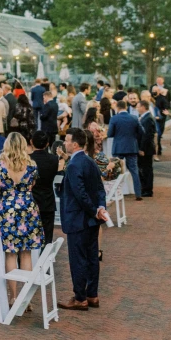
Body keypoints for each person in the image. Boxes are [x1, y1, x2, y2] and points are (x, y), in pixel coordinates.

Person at [0, 132, 43, 305]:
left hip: (6, 211)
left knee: (10, 255)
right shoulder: (32, 166)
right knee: (26, 254)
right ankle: (26, 298)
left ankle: (13, 297)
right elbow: (31, 187)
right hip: (28, 210)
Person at [58, 128, 108, 311]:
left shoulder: (73, 165)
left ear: (75, 144)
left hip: (79, 220)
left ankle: (80, 297)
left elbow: (80, 194)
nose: (65, 143)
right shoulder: (90, 162)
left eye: (67, 140)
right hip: (92, 221)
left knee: (78, 259)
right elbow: (100, 189)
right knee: (92, 258)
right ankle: (92, 294)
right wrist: (100, 207)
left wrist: (95, 210)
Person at [106, 99, 143, 200]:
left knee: (115, 170)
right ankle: (138, 194)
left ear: (117, 108)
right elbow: (141, 131)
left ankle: (115, 192)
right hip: (131, 147)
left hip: (118, 147)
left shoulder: (114, 118)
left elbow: (109, 134)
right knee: (134, 171)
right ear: (126, 107)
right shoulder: (134, 118)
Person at [29, 131, 58, 245]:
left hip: (32, 200)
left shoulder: (28, 159)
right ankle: (46, 259)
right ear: (47, 144)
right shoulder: (54, 159)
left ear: (31, 142)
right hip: (48, 200)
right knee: (47, 236)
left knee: (31, 234)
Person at [136, 99, 157, 197]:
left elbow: (147, 135)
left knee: (146, 169)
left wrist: (142, 149)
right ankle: (145, 188)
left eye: (138, 106)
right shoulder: (145, 117)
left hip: (146, 149)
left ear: (143, 107)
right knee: (144, 168)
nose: (137, 108)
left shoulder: (148, 118)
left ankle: (148, 189)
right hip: (146, 148)